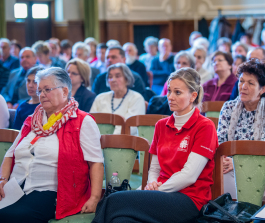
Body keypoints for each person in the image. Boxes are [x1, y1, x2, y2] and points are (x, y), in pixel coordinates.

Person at [92, 67, 218, 223]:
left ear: (193, 96)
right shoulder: (161, 125)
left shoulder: (204, 126)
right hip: (159, 192)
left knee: (114, 200)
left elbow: (189, 176)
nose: (170, 97)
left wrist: (157, 190)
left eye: (177, 92)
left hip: (190, 199)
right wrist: (152, 184)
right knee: (121, 219)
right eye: (169, 91)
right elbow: (155, 168)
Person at [0, 67, 104, 222]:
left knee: (12, 216)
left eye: (47, 89)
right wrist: (2, 180)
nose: (42, 95)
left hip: (52, 192)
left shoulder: (82, 121)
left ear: (64, 91)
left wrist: (95, 198)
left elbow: (96, 162)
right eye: (40, 90)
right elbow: (10, 154)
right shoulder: (32, 120)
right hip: (16, 186)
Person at [218, 59, 265, 197]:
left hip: (263, 169)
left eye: (250, 83)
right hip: (228, 167)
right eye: (241, 81)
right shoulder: (228, 107)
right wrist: (226, 161)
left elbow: (264, 147)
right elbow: (220, 142)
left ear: (263, 89)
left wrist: (236, 163)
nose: (243, 87)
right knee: (218, 174)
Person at [90, 63, 145, 135]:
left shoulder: (136, 98)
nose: (113, 80)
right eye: (110, 77)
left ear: (127, 78)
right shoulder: (100, 98)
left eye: (117, 76)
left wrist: (109, 139)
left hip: (125, 141)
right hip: (98, 140)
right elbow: (90, 121)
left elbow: (131, 127)